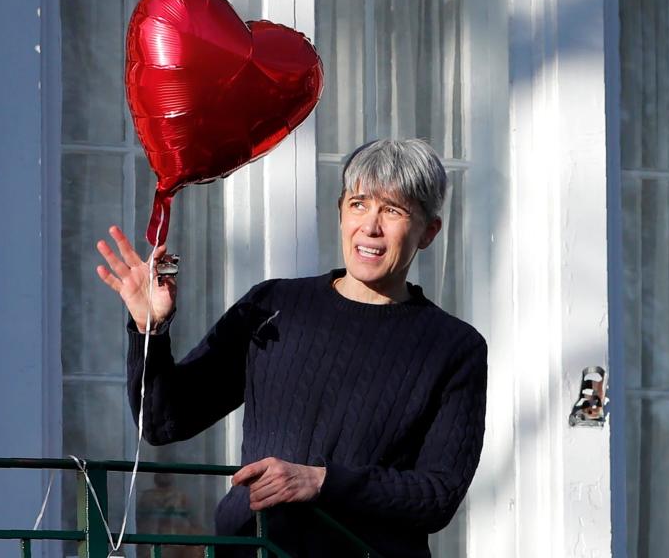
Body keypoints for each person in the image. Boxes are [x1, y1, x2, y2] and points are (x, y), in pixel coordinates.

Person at [95, 139, 488, 557]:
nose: (370, 227)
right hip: (254, 549)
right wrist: (149, 329)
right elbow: (163, 422)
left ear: (428, 231)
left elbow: (438, 495)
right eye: (359, 204)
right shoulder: (273, 305)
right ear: (340, 211)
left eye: (393, 211)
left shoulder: (453, 347)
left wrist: (321, 482)